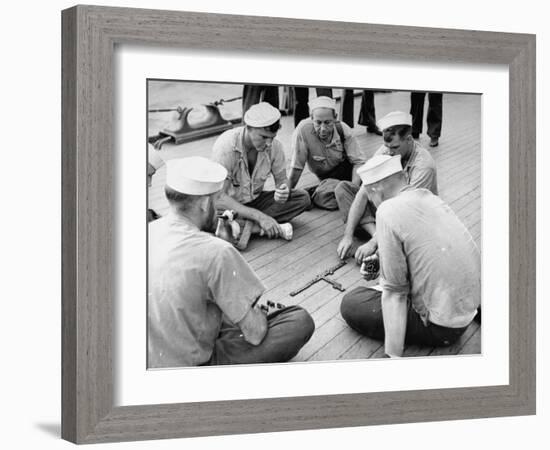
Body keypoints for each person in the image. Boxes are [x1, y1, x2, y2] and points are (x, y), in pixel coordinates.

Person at [148, 156, 315, 367]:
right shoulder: (217, 252)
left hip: (150, 359)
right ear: (205, 203)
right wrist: (259, 314)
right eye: (217, 199)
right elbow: (255, 334)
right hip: (190, 365)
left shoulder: (146, 231)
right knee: (298, 321)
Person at [340, 154, 480, 357]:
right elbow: (424, 252)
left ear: (375, 189)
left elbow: (395, 294)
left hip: (442, 328)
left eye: (369, 196)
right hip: (467, 310)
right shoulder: (429, 198)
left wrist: (392, 357)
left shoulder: (387, 210)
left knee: (352, 302)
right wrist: (381, 262)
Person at [335, 111, 438, 263]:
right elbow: (364, 192)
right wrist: (347, 236)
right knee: (343, 188)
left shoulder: (424, 166)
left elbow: (405, 213)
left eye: (395, 147)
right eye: (386, 146)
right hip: (386, 213)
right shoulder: (387, 150)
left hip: (410, 219)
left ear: (409, 139)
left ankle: (380, 238)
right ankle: (379, 234)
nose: (389, 152)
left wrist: (372, 243)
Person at [212, 102, 311, 249]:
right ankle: (258, 228)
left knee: (302, 198)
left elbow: (282, 182)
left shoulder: (275, 147)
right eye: (264, 137)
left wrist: (283, 191)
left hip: (255, 202)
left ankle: (240, 229)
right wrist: (260, 217)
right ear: (248, 128)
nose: (269, 143)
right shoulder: (226, 147)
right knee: (213, 215)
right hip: (229, 206)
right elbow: (219, 198)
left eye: (273, 137)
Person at [288, 96, 366, 210]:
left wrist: (352, 189)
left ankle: (329, 192)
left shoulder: (343, 129)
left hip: (349, 171)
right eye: (318, 123)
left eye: (328, 122)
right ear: (311, 118)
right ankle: (319, 192)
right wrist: (288, 194)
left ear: (335, 118)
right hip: (327, 178)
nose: (323, 129)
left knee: (372, 184)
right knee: (333, 198)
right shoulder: (303, 130)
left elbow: (359, 162)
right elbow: (296, 167)